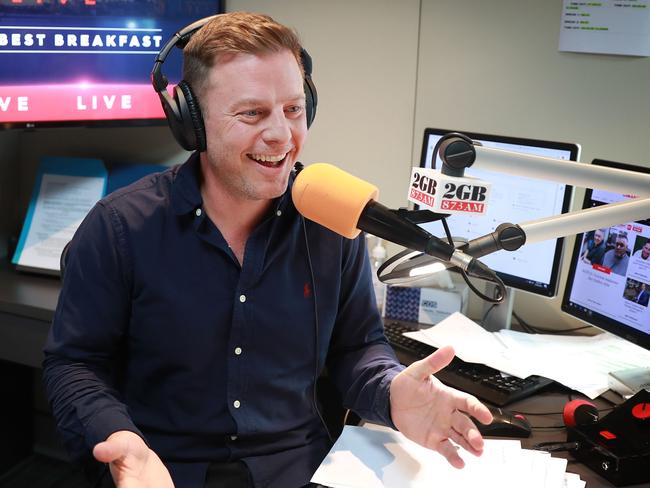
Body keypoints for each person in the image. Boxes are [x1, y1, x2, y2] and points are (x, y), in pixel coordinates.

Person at [42, 12, 492, 488]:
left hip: (299, 472)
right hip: (160, 470)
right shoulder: (119, 228)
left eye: (293, 109)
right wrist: (120, 439)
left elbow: (357, 347)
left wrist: (390, 390)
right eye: (252, 113)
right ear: (191, 123)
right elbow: (74, 363)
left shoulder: (332, 221)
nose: (281, 135)